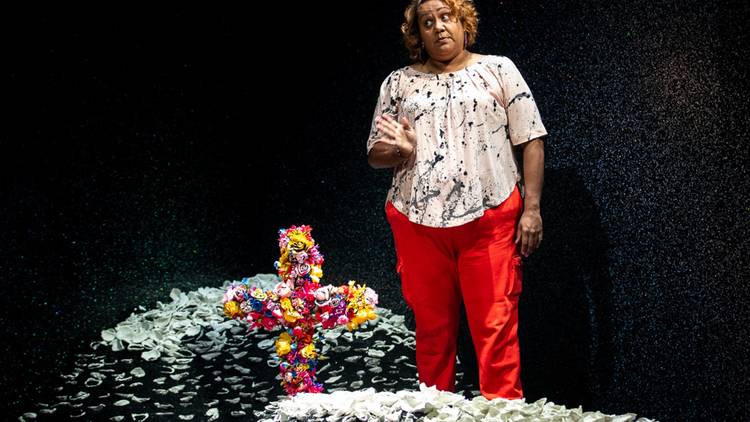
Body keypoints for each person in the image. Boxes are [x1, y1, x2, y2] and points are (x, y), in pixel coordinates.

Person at [366, 0, 547, 400]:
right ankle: (436, 409)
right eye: (427, 22)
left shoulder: (498, 69)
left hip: (489, 220)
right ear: (418, 34)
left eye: (446, 17)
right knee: (432, 332)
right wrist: (400, 149)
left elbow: (531, 138)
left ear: (463, 21)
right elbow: (375, 152)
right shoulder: (398, 83)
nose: (438, 27)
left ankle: (503, 412)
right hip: (418, 223)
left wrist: (531, 210)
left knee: (495, 329)